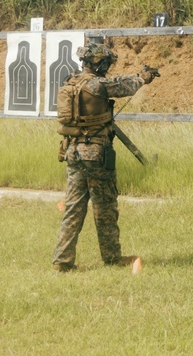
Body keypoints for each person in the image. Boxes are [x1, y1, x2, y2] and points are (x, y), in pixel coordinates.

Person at [52, 42, 157, 272]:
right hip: (96, 155)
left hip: (73, 152)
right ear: (98, 63)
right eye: (106, 63)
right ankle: (112, 257)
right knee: (105, 208)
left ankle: (62, 260)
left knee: (73, 209)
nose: (108, 67)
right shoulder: (97, 85)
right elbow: (124, 85)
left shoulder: (71, 83)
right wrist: (144, 77)